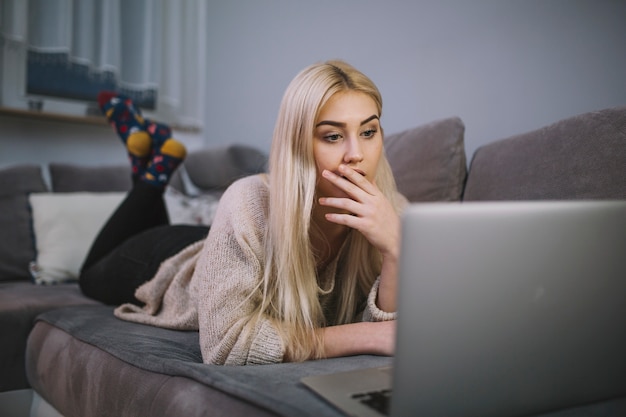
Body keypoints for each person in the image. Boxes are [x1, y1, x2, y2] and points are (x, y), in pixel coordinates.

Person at [80, 60, 407, 365]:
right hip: (168, 258)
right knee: (89, 274)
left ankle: (149, 160)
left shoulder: (396, 214)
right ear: (298, 146)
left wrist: (394, 251)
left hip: (221, 245)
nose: (356, 154)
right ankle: (153, 176)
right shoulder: (248, 201)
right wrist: (360, 335)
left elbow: (392, 336)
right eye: (333, 136)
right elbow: (225, 346)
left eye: (368, 132)